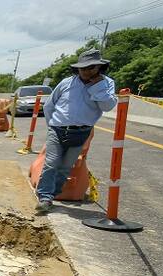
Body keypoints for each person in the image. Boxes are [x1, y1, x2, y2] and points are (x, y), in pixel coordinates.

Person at [35, 49, 117, 214]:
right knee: (51, 164)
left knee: (66, 166)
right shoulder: (66, 83)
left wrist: (96, 86)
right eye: (83, 68)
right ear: (77, 68)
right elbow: (49, 105)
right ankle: (45, 197)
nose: (86, 71)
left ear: (99, 68)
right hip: (58, 129)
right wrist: (52, 125)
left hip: (81, 132)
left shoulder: (106, 84)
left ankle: (54, 193)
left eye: (91, 67)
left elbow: (107, 106)